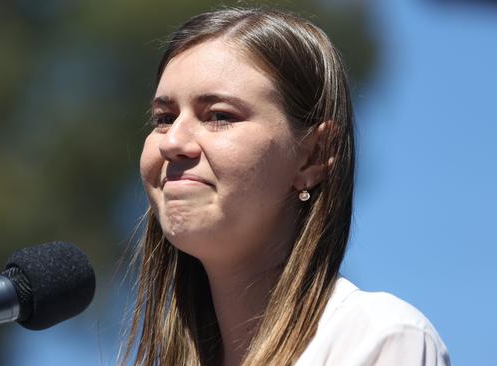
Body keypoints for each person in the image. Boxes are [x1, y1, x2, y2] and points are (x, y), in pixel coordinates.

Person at [122, 7, 451, 366]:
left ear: (313, 156)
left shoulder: (376, 339)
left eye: (219, 116)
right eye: (164, 119)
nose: (172, 142)